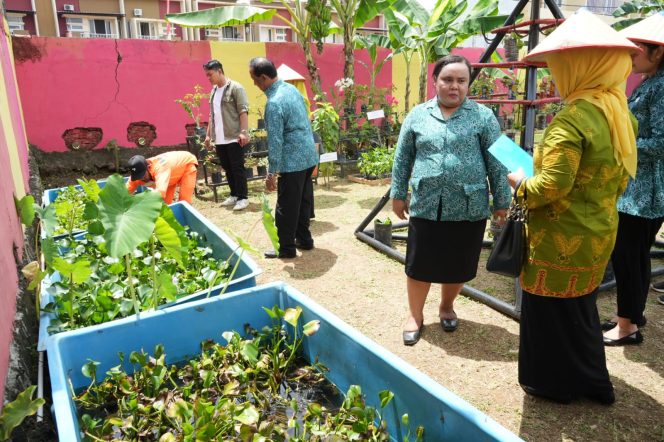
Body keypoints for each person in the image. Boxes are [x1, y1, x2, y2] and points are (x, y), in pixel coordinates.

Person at [507, 10, 639, 405]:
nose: (555, 75)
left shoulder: (572, 119)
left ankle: (553, 384)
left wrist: (518, 183)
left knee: (550, 313)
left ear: (579, 67)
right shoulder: (620, 112)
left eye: (561, 67)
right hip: (598, 231)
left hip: (558, 236)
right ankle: (593, 380)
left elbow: (551, 186)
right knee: (580, 309)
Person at [390, 54, 511, 346]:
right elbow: (403, 157)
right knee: (419, 264)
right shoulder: (417, 115)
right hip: (426, 203)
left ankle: (446, 307)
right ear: (435, 81)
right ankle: (415, 316)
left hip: (468, 205)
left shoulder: (483, 117)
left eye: (461, 80)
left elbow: (498, 161)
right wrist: (398, 193)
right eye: (447, 79)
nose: (453, 86)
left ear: (468, 84)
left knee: (458, 263)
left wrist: (502, 201)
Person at [602, 12, 664, 338]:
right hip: (637, 187)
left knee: (628, 255)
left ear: (658, 51)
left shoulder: (662, 87)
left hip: (645, 191)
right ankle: (631, 319)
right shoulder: (650, 82)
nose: (630, 55)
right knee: (634, 255)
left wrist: (621, 143)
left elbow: (660, 141)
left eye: (637, 49)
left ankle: (626, 326)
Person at [248, 57, 318, 259]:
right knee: (303, 202)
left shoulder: (274, 103)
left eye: (254, 78)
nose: (253, 83)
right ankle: (304, 239)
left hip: (292, 160)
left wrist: (271, 173)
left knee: (286, 206)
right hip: (307, 154)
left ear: (263, 78)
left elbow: (276, 142)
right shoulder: (291, 89)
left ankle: (286, 248)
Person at [202, 59, 251, 211]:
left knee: (237, 167)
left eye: (210, 75)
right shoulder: (214, 91)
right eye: (207, 75)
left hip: (234, 136)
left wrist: (244, 132)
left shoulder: (236, 88)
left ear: (219, 71)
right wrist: (209, 135)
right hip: (220, 138)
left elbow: (243, 111)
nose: (208, 78)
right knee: (227, 168)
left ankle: (243, 198)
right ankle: (234, 195)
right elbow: (212, 115)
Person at [127, 151, 198, 204]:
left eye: (143, 175)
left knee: (184, 200)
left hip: (187, 164)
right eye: (138, 177)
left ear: (148, 167)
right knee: (165, 204)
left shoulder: (160, 168)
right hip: (170, 174)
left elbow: (160, 193)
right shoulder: (137, 171)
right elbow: (125, 193)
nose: (141, 179)